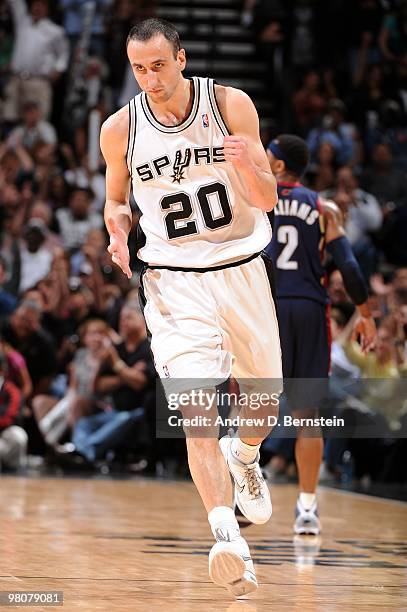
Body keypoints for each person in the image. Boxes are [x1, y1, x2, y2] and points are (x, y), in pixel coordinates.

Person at [100, 17, 282, 597]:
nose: (149, 78)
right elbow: (115, 201)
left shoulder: (230, 104)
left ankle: (246, 454)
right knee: (197, 414)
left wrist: (247, 166)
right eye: (138, 68)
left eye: (158, 65)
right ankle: (228, 538)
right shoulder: (119, 129)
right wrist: (117, 231)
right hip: (174, 280)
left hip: (241, 267)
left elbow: (267, 198)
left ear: (181, 58)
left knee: (267, 398)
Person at [264, 134, 376, 535]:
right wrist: (365, 315)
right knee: (306, 414)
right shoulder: (323, 207)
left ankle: (242, 493)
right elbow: (349, 266)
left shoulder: (253, 199)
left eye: (267, 154)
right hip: (311, 310)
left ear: (277, 166)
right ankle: (307, 508)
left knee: (249, 404)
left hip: (266, 307)